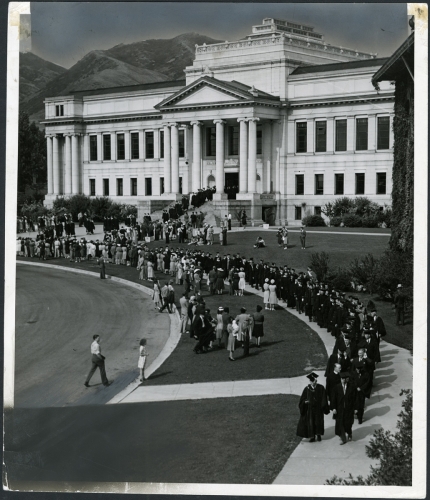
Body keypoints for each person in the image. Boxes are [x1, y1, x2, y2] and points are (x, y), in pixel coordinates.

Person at [296, 372, 330, 442]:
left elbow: (324, 398)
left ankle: (318, 435)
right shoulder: (307, 389)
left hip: (318, 409)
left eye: (314, 381)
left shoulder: (321, 388)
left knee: (318, 422)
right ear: (310, 381)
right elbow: (302, 399)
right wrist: (305, 402)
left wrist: (324, 406)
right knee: (311, 423)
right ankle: (312, 436)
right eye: (312, 381)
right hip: (310, 409)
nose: (313, 382)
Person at [331, 372, 356, 444]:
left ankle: (349, 433)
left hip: (349, 409)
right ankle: (343, 439)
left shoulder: (351, 387)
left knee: (348, 423)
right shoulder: (336, 387)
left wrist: (355, 408)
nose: (343, 381)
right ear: (340, 379)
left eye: (345, 379)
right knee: (340, 424)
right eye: (342, 379)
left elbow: (354, 398)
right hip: (340, 409)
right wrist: (334, 408)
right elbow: (333, 399)